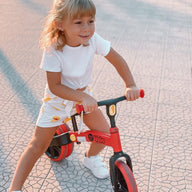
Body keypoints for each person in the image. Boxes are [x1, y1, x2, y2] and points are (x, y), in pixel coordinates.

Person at [9, 0, 140, 191]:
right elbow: (55, 86)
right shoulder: (54, 48)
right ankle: (15, 188)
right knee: (38, 144)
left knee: (104, 133)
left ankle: (91, 158)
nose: (86, 28)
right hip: (58, 100)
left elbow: (117, 59)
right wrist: (83, 98)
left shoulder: (93, 40)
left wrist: (130, 84)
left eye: (91, 21)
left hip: (83, 94)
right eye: (79, 22)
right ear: (60, 24)